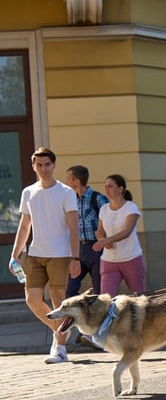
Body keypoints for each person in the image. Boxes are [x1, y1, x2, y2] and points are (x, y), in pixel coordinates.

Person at [10, 147, 81, 364]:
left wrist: (75, 258)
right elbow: (24, 227)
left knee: (58, 301)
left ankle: (59, 349)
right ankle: (62, 328)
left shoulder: (66, 192)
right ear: (34, 166)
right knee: (32, 299)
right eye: (39, 165)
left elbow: (73, 227)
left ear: (54, 165)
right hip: (35, 254)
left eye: (47, 164)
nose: (43, 168)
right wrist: (15, 255)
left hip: (60, 255)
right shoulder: (28, 192)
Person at [93, 174, 145, 296]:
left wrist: (107, 240)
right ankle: (110, 316)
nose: (106, 189)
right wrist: (102, 239)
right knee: (105, 298)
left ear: (121, 189)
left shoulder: (131, 208)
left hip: (131, 258)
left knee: (138, 297)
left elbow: (127, 231)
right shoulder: (104, 209)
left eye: (110, 186)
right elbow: (100, 231)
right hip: (108, 260)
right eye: (105, 186)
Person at [65, 165, 109, 295]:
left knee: (100, 290)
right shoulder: (71, 200)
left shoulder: (98, 198)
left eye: (68, 179)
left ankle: (100, 314)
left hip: (97, 249)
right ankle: (80, 314)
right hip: (78, 251)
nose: (66, 182)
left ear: (77, 182)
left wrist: (105, 239)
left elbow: (110, 220)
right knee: (70, 288)